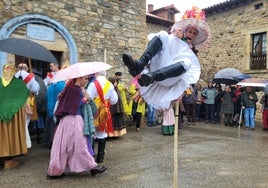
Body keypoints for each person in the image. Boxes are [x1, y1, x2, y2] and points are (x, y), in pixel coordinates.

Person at [122, 6, 211, 110]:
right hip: (159, 67)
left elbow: (188, 76)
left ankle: (152, 77)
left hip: (170, 78)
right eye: (190, 31)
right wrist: (174, 37)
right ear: (184, 31)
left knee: (187, 63)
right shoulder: (173, 37)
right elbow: (162, 45)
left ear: (196, 37)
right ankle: (138, 66)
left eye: (194, 33)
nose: (191, 34)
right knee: (163, 34)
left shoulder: (191, 54)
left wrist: (180, 93)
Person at [47, 76, 107, 179]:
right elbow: (73, 105)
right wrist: (84, 99)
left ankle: (58, 170)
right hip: (72, 120)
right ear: (79, 79)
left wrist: (84, 96)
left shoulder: (74, 89)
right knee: (79, 144)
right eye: (85, 78)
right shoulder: (74, 89)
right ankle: (91, 168)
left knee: (68, 146)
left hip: (71, 120)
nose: (86, 80)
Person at [0, 63, 29, 169]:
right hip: (13, 115)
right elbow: (24, 97)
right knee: (11, 134)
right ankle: (8, 159)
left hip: (5, 114)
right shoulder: (18, 83)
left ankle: (5, 157)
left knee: (3, 135)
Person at [87, 71, 118, 163]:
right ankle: (100, 157)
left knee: (92, 132)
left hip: (94, 111)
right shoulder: (110, 85)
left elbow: (88, 98)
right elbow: (114, 100)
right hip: (104, 111)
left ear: (96, 74)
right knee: (102, 133)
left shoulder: (93, 84)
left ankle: (91, 155)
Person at [14, 63, 40, 148]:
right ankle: (24, 143)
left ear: (18, 68)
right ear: (27, 68)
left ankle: (17, 142)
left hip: (14, 101)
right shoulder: (30, 76)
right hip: (26, 100)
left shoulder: (13, 76)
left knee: (17, 122)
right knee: (25, 122)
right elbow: (35, 89)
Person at [43, 63, 65, 146]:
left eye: (52, 66)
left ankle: (51, 140)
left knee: (53, 122)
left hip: (54, 104)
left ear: (56, 66)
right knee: (53, 122)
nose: (50, 68)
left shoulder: (60, 81)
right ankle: (53, 140)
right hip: (52, 103)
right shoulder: (52, 81)